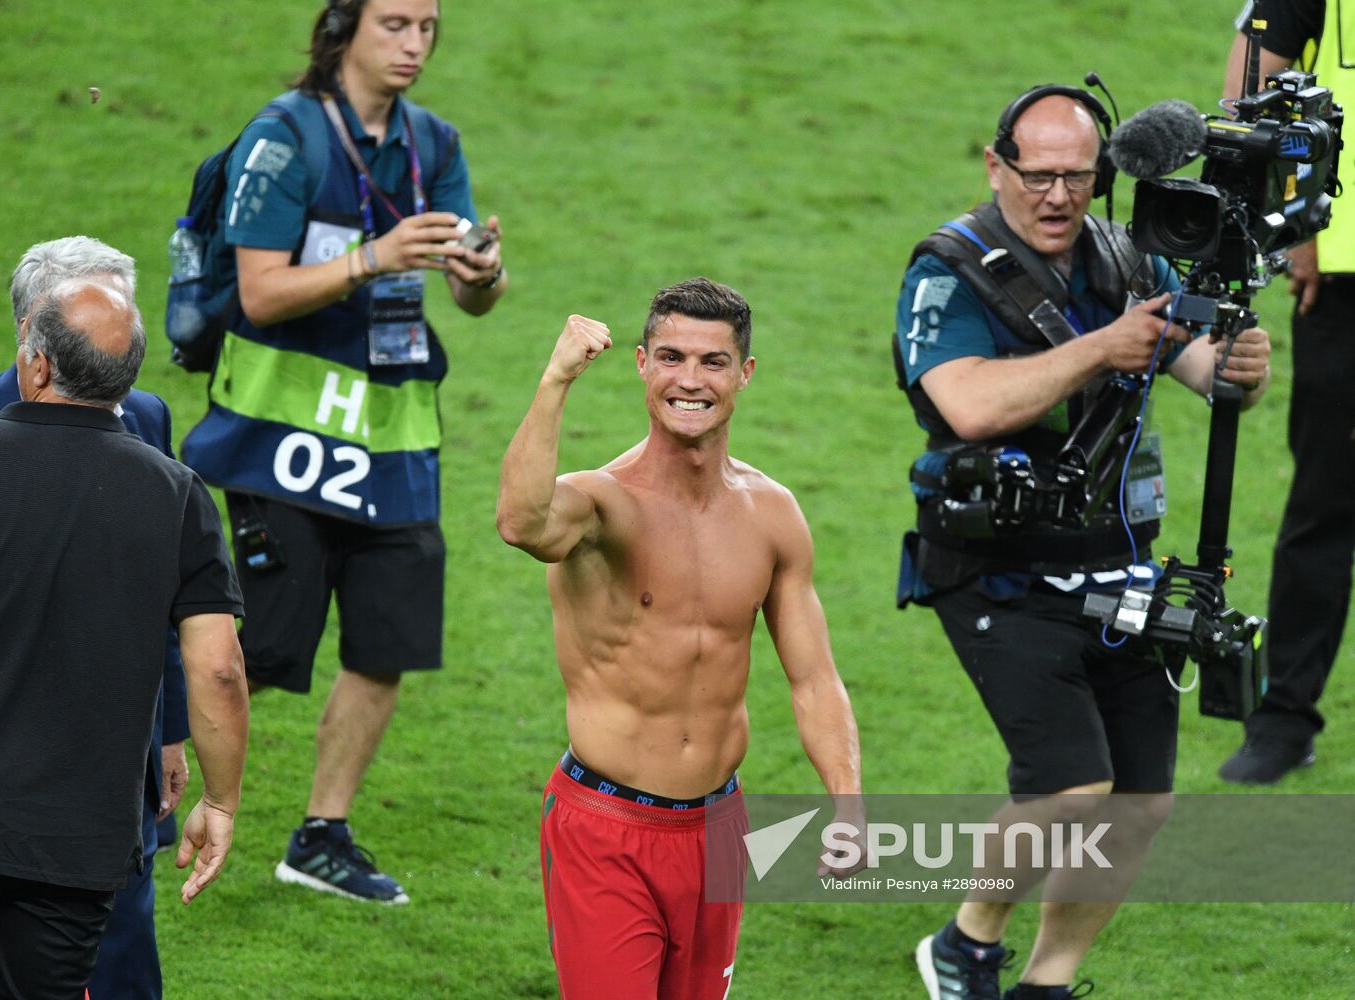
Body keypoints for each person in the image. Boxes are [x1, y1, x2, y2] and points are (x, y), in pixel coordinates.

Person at [894, 89, 1271, 999]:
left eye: (1078, 176)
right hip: (997, 573)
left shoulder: (1123, 250)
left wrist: (1234, 365)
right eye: (1038, 176)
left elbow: (1198, 368)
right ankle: (966, 942)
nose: (1059, 196)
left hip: (1118, 567)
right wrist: (1105, 346)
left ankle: (1047, 982)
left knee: (1139, 804)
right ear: (996, 168)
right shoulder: (949, 268)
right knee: (1068, 789)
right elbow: (970, 404)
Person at [181, 0, 507, 903]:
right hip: (275, 437)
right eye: (395, 24)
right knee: (261, 646)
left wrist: (481, 276)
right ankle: (158, 769)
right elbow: (258, 293)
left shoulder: (432, 144)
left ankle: (321, 835)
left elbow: (470, 293)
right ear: (343, 29)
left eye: (428, 28)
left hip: (392, 442)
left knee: (386, 640)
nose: (414, 45)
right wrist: (373, 257)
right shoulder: (287, 141)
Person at [496, 279, 865, 1000]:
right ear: (640, 364)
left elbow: (813, 678)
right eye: (670, 357)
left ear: (744, 374)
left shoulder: (773, 515)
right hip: (606, 828)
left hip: (718, 829)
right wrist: (555, 379)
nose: (689, 380)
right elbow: (522, 522)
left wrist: (847, 800)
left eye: (713, 361)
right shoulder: (602, 503)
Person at [0, 257, 248, 998]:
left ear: (34, 365)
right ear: (126, 384)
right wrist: (221, 800)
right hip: (72, 844)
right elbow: (219, 669)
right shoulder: (176, 495)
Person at [1214, 0, 1354, 784]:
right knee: (1325, 504)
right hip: (1344, 284)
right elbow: (1251, 74)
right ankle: (1285, 718)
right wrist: (1292, 220)